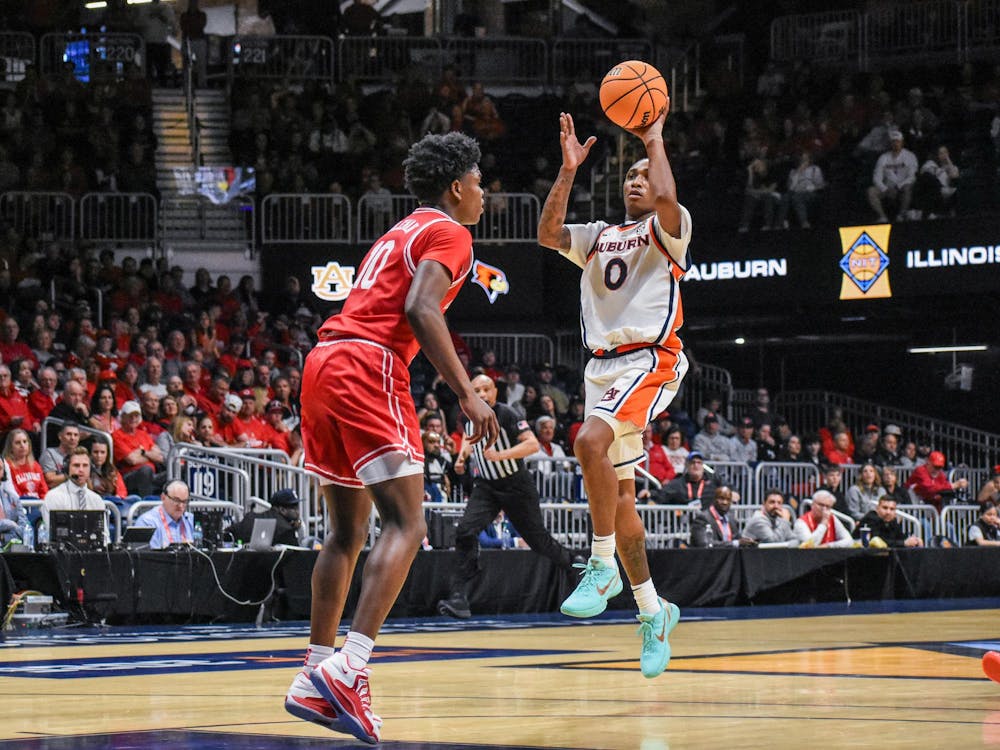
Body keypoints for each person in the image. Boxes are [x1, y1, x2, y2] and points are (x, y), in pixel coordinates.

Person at [285, 131, 498, 744]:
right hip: (368, 365)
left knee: (347, 534)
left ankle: (312, 671)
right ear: (457, 187)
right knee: (409, 524)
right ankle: (350, 668)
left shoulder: (397, 230)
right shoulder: (452, 232)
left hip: (323, 363)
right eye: (479, 183)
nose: (483, 194)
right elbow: (421, 309)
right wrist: (465, 391)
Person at [536, 108, 689, 679]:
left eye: (644, 175)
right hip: (601, 368)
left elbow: (669, 200)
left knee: (586, 440)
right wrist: (569, 170)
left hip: (651, 358)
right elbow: (549, 234)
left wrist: (654, 140)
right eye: (630, 174)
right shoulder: (599, 236)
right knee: (622, 498)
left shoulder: (669, 229)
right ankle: (654, 611)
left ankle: (599, 565)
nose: (635, 180)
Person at [436, 374, 579, 620]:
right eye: (476, 390)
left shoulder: (507, 414)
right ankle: (459, 596)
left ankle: (575, 563)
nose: (480, 395)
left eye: (485, 390)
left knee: (538, 541)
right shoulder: (467, 416)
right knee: (465, 531)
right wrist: (462, 457)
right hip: (486, 486)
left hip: (516, 485)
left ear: (495, 393)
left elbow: (532, 445)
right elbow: (471, 439)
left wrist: (500, 456)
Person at [41, 447, 109, 544]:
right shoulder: (54, 497)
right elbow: (51, 535)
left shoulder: (96, 500)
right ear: (67, 468)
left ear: (91, 469)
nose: (81, 470)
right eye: (76, 465)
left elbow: (104, 536)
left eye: (85, 466)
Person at [866, 129, 918, 222]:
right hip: (887, 188)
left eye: (897, 141)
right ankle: (882, 217)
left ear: (902, 142)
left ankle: (901, 215)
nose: (895, 143)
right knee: (871, 191)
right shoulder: (883, 157)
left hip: (902, 186)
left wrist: (899, 186)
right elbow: (877, 177)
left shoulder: (910, 156)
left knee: (908, 188)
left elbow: (912, 176)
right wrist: (885, 189)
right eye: (893, 141)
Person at [226, 488, 303, 547]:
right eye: (294, 508)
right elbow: (296, 558)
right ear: (282, 509)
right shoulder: (286, 530)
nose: (298, 512)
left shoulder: (250, 517)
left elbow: (227, 533)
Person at [133, 479, 193, 549]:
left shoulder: (191, 519)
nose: (181, 506)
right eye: (176, 500)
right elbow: (146, 557)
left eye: (185, 501)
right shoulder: (147, 522)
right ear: (163, 498)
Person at [689, 486, 753, 547]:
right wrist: (735, 543)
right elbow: (705, 544)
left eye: (728, 499)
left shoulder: (731, 518)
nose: (725, 502)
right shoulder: (703, 518)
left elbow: (737, 539)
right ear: (714, 499)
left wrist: (747, 542)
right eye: (721, 498)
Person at [652, 450, 718, 508]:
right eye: (692, 462)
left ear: (703, 466)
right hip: (684, 519)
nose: (696, 465)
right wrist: (650, 493)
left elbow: (726, 486)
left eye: (699, 462)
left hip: (706, 520)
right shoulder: (678, 483)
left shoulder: (712, 481)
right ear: (687, 466)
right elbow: (662, 494)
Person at [854, 496, 922, 548]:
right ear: (877, 508)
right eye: (885, 508)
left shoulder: (892, 521)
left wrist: (915, 541)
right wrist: (903, 543)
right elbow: (877, 541)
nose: (888, 512)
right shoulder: (870, 519)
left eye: (892, 509)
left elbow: (901, 538)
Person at [3, 428, 48, 498]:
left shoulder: (35, 465)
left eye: (25, 441)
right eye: (18, 443)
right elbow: (13, 493)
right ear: (10, 447)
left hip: (38, 504)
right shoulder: (7, 466)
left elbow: (44, 490)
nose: (22, 445)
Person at [40, 422, 81, 489]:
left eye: (76, 435)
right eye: (68, 434)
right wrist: (72, 475)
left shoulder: (81, 456)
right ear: (60, 436)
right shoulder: (50, 453)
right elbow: (50, 480)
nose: (72, 438)